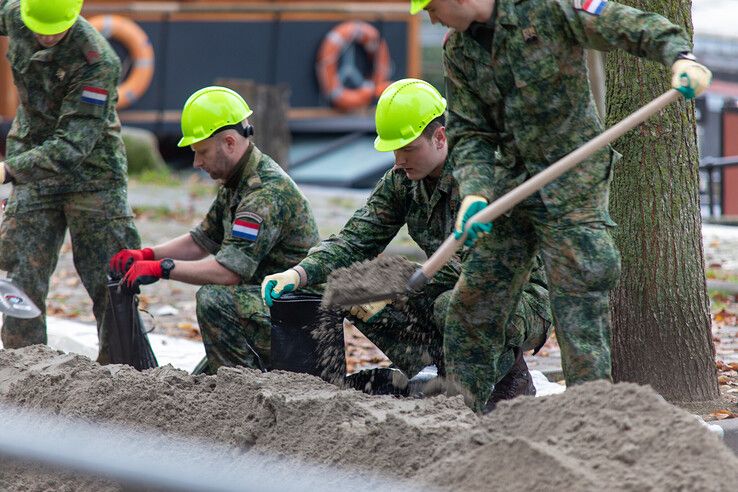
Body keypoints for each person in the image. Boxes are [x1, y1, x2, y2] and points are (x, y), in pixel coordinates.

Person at [410, 0, 712, 411]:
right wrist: (476, 192)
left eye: (432, 7)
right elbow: (471, 131)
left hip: (574, 186)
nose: (431, 17)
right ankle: (458, 417)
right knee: (473, 302)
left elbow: (624, 25)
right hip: (513, 186)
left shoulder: (546, 9)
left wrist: (680, 56)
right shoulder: (458, 50)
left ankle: (588, 425)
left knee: (579, 305)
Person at [262, 78, 552, 408]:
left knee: (454, 305)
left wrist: (399, 278)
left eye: (408, 148)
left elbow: (485, 274)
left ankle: (499, 387)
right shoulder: (403, 180)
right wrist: (297, 274)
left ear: (440, 137)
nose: (399, 160)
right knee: (349, 287)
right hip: (444, 286)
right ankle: (440, 373)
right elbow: (355, 241)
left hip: (518, 295)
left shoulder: (485, 175)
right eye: (394, 151)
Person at [110, 86, 320, 373]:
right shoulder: (236, 180)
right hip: (268, 303)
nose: (196, 163)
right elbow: (202, 240)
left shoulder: (265, 194)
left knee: (214, 300)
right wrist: (147, 253)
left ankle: (243, 389)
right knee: (199, 379)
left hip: (298, 318)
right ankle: (238, 375)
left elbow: (228, 273)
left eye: (202, 152)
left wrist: (162, 268)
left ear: (230, 143)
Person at [0, 0, 141, 360]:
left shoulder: (98, 61)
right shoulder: (17, 15)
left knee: (112, 280)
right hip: (33, 164)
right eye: (39, 28)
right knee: (20, 272)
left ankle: (120, 372)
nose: (46, 36)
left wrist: (8, 170)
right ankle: (23, 366)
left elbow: (72, 146)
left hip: (92, 176)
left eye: (55, 29)